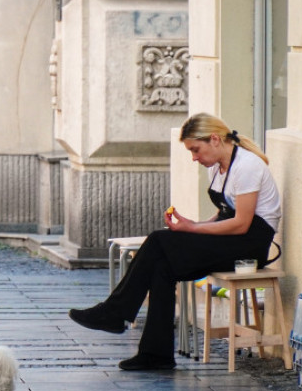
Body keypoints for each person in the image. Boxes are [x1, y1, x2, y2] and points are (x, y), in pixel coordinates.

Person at [68, 112, 282, 371]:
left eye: (196, 150)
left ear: (214, 139)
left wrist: (192, 229)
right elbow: (223, 213)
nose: (194, 157)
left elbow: (242, 223)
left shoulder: (247, 166)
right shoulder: (216, 166)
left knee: (159, 239)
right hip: (231, 238)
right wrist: (191, 226)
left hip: (250, 246)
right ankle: (155, 355)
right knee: (162, 267)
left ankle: (114, 312)